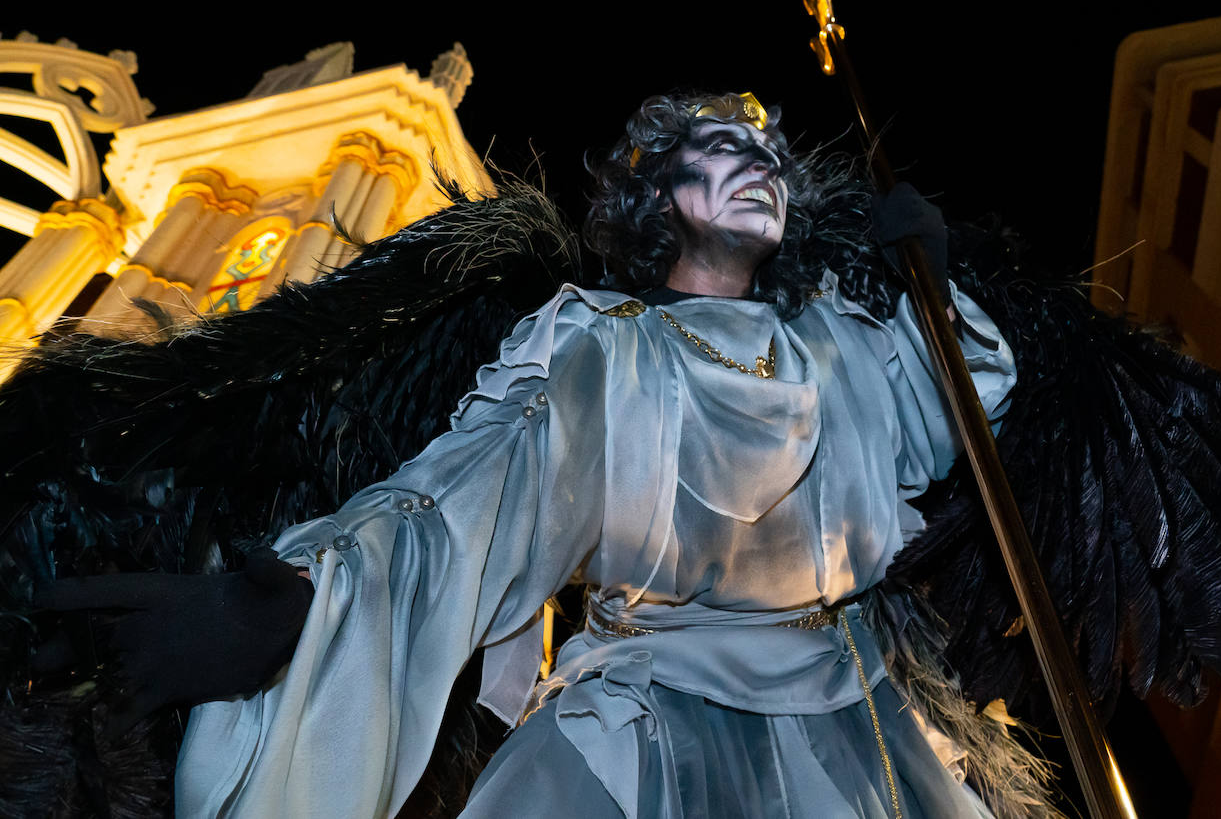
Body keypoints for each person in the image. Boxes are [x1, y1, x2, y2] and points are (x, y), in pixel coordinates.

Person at [172, 92, 1021, 818]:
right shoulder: (607, 347)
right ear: (660, 194)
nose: (761, 166)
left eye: (769, 157)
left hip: (856, 727)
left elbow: (957, 413)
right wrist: (309, 595)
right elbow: (470, 495)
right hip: (643, 722)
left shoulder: (839, 345)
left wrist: (931, 293)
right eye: (725, 147)